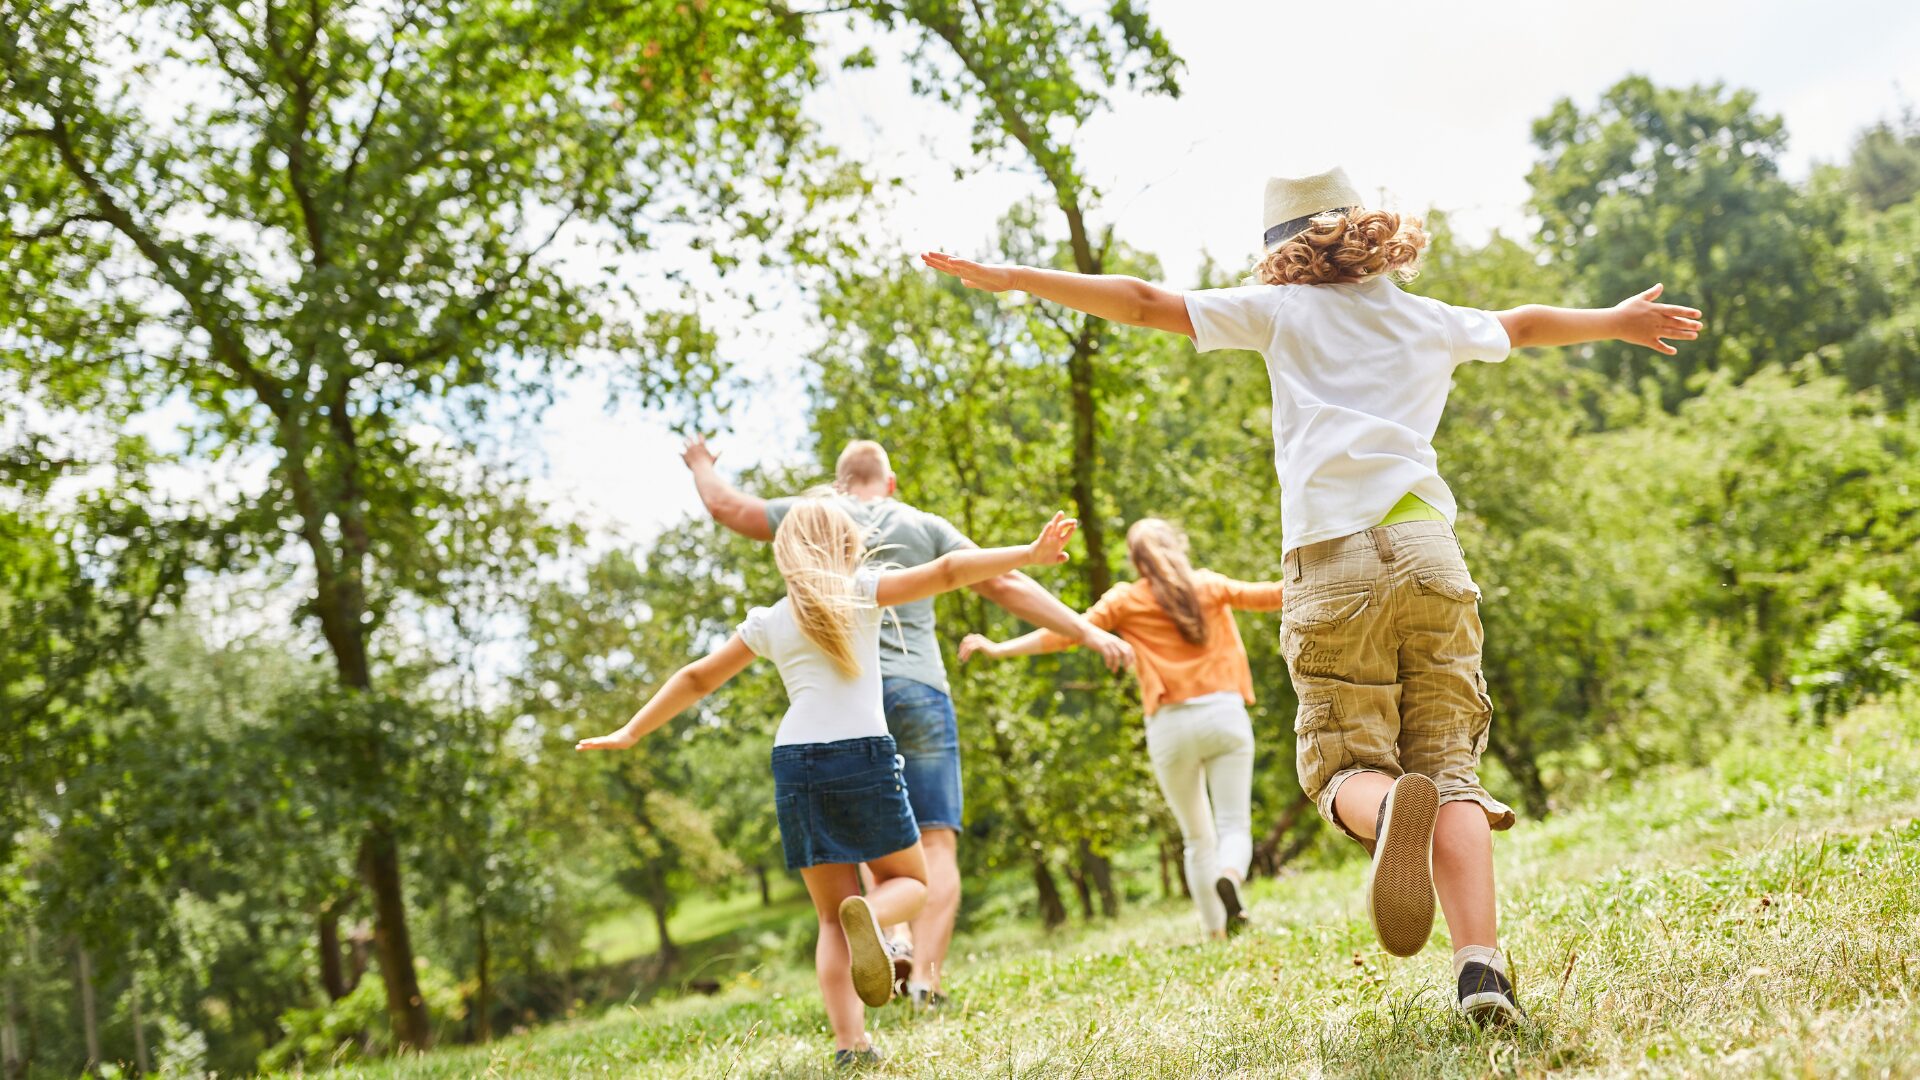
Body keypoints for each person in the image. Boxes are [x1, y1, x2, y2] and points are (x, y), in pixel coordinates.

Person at [922, 165, 1703, 1026]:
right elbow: (1520, 324)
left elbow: (1144, 300)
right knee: (1451, 769)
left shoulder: (1281, 313)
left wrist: (1019, 278)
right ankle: (1481, 972)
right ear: (1368, 232)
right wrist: (1618, 320)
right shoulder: (1425, 317)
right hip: (1430, 552)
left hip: (1333, 561)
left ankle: (1382, 809)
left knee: (1340, 764)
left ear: (1282, 253)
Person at [577, 500, 1083, 1067]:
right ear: (847, 548)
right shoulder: (861, 591)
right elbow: (946, 572)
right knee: (912, 883)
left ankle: (851, 1045)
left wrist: (631, 729)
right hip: (862, 753)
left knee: (828, 917)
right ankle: (872, 915)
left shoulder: (769, 620)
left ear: (784, 553)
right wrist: (1029, 554)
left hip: (795, 761)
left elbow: (697, 678)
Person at [681, 436, 1132, 1009]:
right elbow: (999, 581)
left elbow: (728, 508)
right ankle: (926, 980)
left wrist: (701, 464)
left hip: (843, 707)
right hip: (919, 692)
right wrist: (1085, 629)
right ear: (889, 483)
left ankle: (890, 940)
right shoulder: (921, 522)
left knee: (878, 842)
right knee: (934, 845)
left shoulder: (811, 516)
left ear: (839, 482)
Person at [957, 518, 1283, 939]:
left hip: (1169, 726)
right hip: (1224, 714)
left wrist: (1001, 648)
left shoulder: (1126, 600)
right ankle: (1230, 876)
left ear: (1135, 560)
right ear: (1177, 546)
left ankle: (1215, 932)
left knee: (1196, 837)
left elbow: (1068, 632)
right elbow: (1275, 595)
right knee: (1233, 826)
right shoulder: (1210, 585)